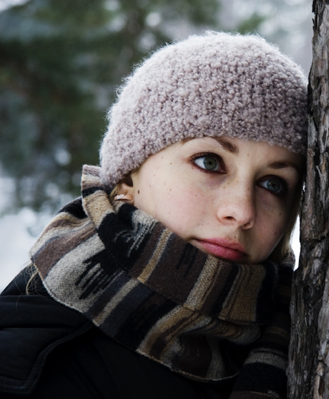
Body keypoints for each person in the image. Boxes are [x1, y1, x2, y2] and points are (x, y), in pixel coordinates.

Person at [0, 32, 307, 399]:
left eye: (273, 184)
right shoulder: (34, 364)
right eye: (209, 163)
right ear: (129, 175)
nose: (241, 211)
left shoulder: (301, 330)